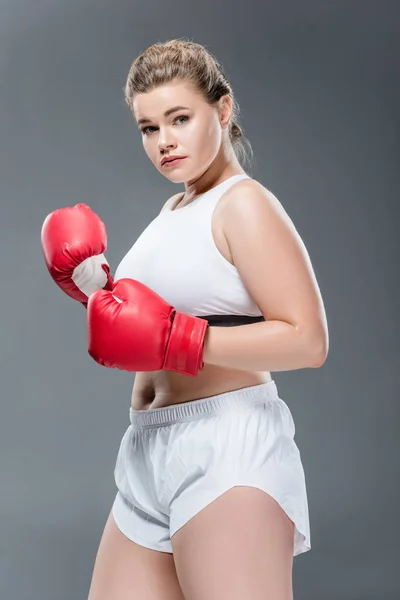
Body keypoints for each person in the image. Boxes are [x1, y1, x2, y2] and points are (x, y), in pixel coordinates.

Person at [42, 39, 329, 600]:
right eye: (149, 128)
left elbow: (308, 340)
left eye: (180, 119)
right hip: (148, 451)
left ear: (222, 111)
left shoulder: (242, 204)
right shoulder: (174, 209)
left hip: (225, 449)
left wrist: (183, 338)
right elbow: (156, 319)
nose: (164, 142)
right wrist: (95, 296)